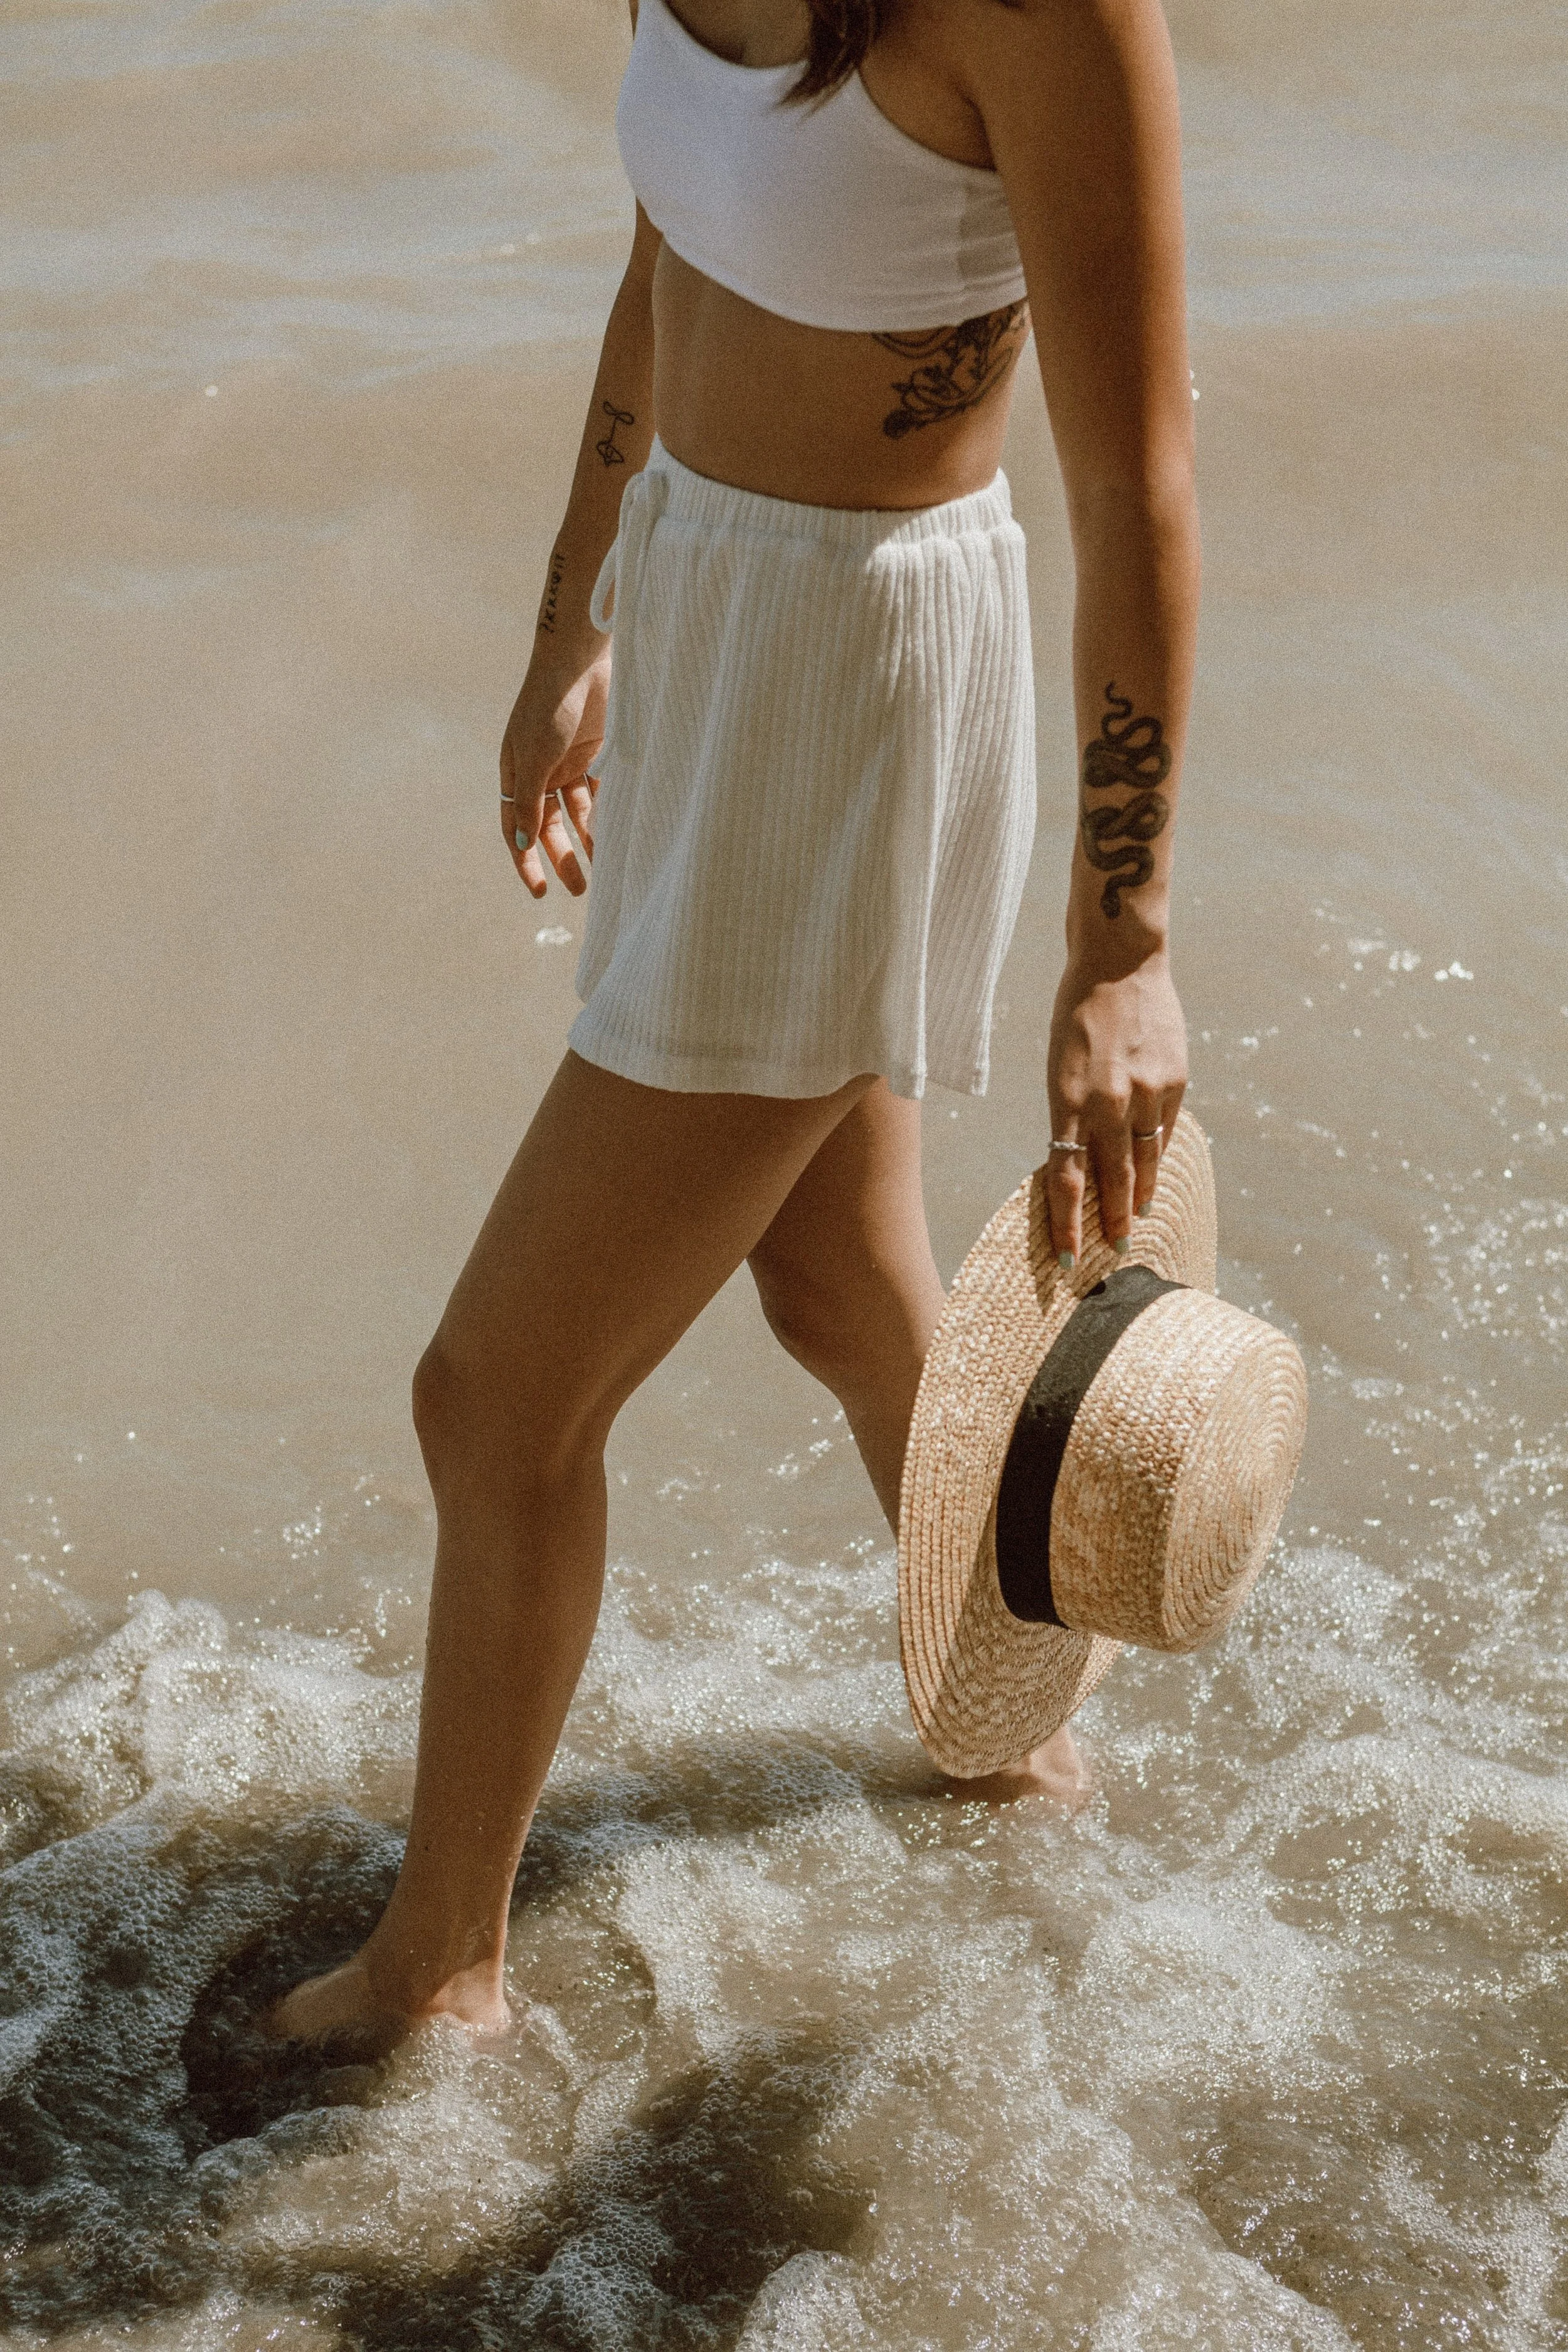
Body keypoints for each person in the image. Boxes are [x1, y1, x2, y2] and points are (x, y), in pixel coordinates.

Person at [272, 0, 1196, 2045]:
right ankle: (1019, 1750)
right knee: (840, 1273)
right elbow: (668, 246)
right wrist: (570, 616)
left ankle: (441, 1973)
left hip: (850, 680)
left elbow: (1139, 482)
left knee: (496, 1402)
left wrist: (1119, 934)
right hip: (709, 591)